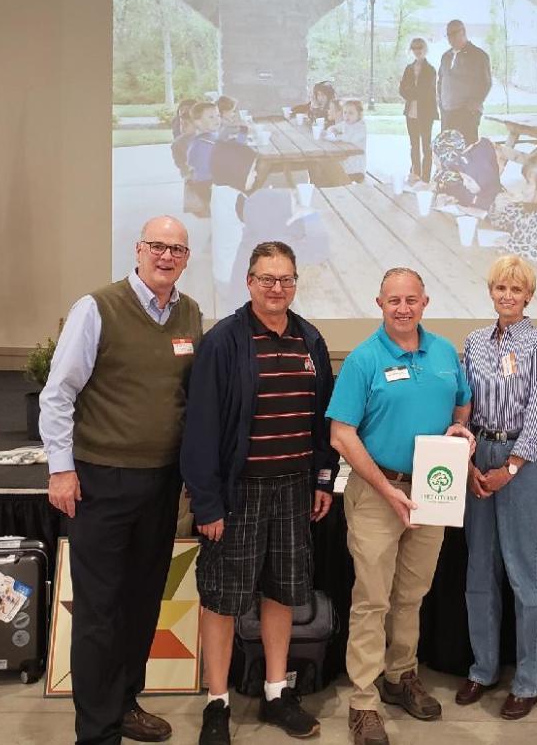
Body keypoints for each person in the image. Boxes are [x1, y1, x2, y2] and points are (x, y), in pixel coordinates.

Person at [39, 216, 203, 745]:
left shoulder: (191, 313)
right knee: (99, 611)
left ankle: (126, 703)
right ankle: (97, 730)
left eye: (176, 249)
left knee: (141, 604)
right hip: (101, 483)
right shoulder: (98, 308)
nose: (166, 256)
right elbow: (58, 394)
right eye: (157, 246)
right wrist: (61, 469)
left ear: (186, 257)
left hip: (161, 485)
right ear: (138, 250)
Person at [181, 241, 338, 745]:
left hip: (293, 490)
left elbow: (322, 424)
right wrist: (206, 501)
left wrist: (321, 479)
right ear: (248, 283)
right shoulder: (224, 342)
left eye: (286, 279)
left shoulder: (309, 339)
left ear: (295, 283)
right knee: (223, 600)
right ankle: (217, 703)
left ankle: (275, 692)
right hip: (236, 494)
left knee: (281, 594)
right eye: (267, 279)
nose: (277, 288)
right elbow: (200, 427)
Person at [326, 268, 475, 745]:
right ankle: (364, 701)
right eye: (394, 301)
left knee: (412, 594)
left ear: (425, 302)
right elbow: (341, 434)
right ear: (379, 303)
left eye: (412, 300)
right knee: (372, 599)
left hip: (432, 492)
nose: (404, 308)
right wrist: (386, 489)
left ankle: (400, 675)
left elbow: (462, 405)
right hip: (376, 493)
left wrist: (459, 430)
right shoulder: (364, 360)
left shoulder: (445, 353)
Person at [457, 256, 537, 720]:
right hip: (479, 459)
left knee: (526, 575)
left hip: (523, 461)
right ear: (491, 291)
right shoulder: (473, 342)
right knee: (480, 573)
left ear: (529, 295)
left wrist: (512, 466)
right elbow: (464, 404)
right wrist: (470, 460)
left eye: (516, 289)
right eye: (500, 287)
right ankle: (482, 669)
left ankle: (528, 680)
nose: (507, 296)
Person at [437, 19, 491, 144]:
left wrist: (473, 105)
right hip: (447, 113)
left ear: (463, 32)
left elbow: (486, 83)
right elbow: (440, 81)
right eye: (448, 35)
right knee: (448, 151)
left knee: (467, 153)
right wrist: (441, 103)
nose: (451, 38)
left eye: (454, 33)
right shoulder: (445, 56)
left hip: (467, 114)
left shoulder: (478, 55)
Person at [398, 38, 438, 182]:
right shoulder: (408, 68)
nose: (417, 50)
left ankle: (426, 178)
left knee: (426, 146)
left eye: (420, 47)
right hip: (410, 113)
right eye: (414, 47)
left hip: (426, 113)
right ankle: (416, 174)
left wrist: (412, 92)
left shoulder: (431, 69)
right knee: (414, 145)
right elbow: (402, 89)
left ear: (425, 48)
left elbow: (427, 91)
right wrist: (413, 92)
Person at [324, 98, 367, 183]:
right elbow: (331, 128)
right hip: (345, 164)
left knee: (331, 172)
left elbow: (350, 138)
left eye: (351, 113)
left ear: (359, 114)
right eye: (345, 112)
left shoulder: (361, 127)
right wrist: (332, 130)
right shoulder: (345, 124)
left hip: (356, 168)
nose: (347, 116)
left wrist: (337, 136)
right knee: (326, 167)